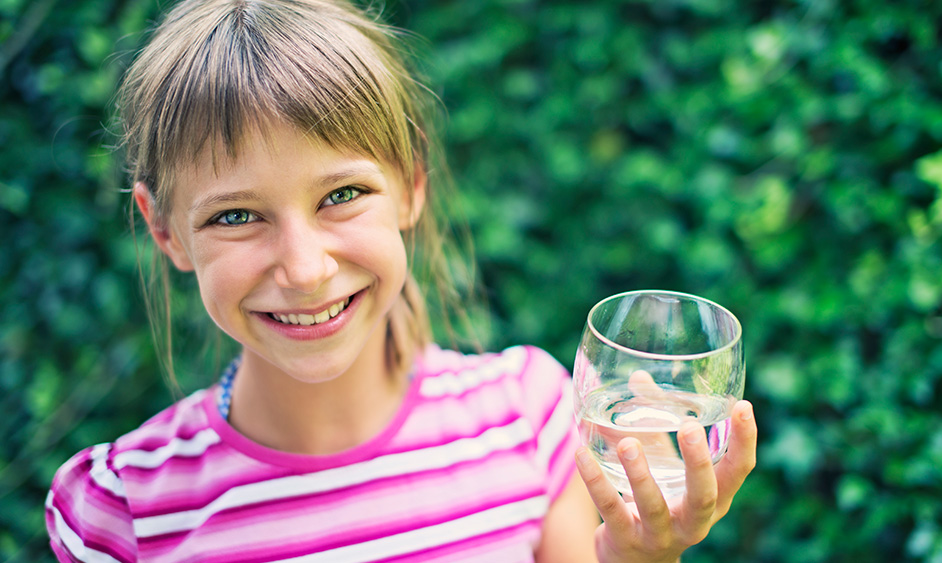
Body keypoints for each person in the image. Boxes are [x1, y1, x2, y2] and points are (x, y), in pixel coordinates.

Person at [44, 0, 758, 561]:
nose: (304, 267)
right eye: (236, 214)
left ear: (411, 183)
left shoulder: (525, 419)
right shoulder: (120, 510)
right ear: (163, 228)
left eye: (342, 195)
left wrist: (643, 554)